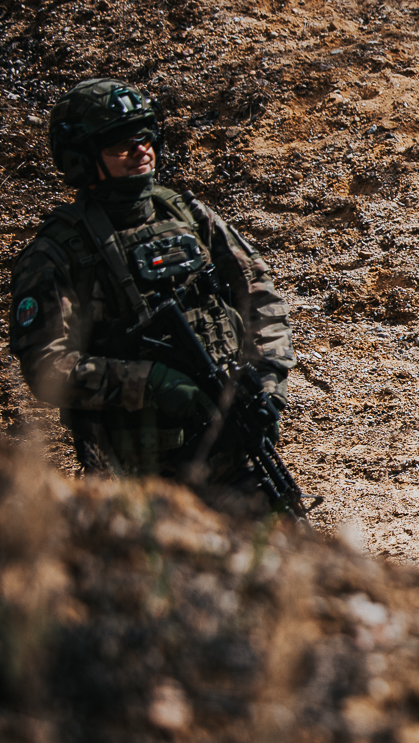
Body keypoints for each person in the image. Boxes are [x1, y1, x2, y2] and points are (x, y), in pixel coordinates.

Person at [9, 78, 296, 506]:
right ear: (83, 161)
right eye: (122, 145)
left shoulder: (186, 212)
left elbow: (260, 297)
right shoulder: (58, 253)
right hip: (135, 478)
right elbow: (46, 367)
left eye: (145, 138)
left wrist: (268, 378)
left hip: (232, 453)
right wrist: (150, 383)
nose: (141, 150)